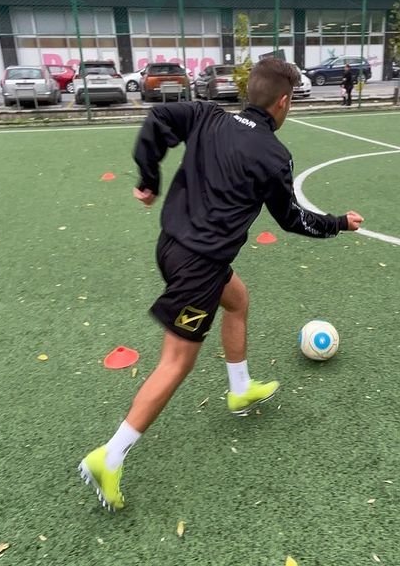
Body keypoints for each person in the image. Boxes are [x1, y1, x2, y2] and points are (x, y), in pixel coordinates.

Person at [78, 57, 364, 512]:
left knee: (238, 300)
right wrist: (339, 223)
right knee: (176, 363)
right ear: (283, 102)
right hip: (199, 267)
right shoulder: (273, 155)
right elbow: (293, 220)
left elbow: (157, 117)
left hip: (171, 247)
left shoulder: (208, 114)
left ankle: (239, 387)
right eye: (291, 101)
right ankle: (109, 457)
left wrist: (148, 180)